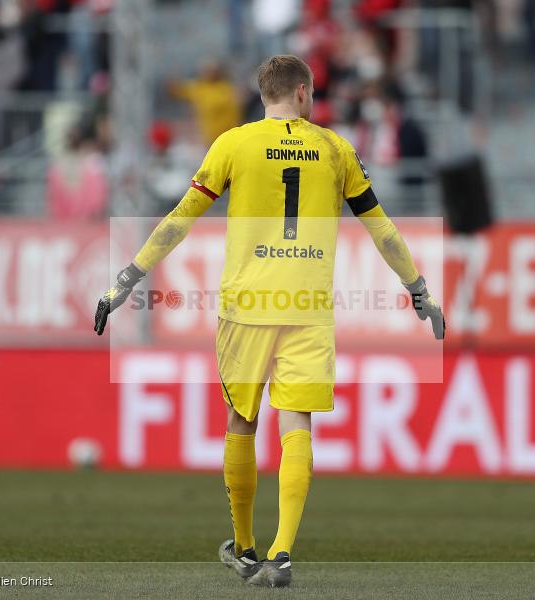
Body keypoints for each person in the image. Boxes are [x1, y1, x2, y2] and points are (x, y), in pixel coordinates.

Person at [93, 55, 444, 588]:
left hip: (247, 305)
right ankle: (282, 553)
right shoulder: (335, 148)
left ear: (264, 95)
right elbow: (384, 231)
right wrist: (419, 290)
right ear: (303, 92)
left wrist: (127, 278)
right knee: (297, 423)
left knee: (242, 422)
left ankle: (245, 546)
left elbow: (179, 220)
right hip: (307, 304)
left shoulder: (233, 143)